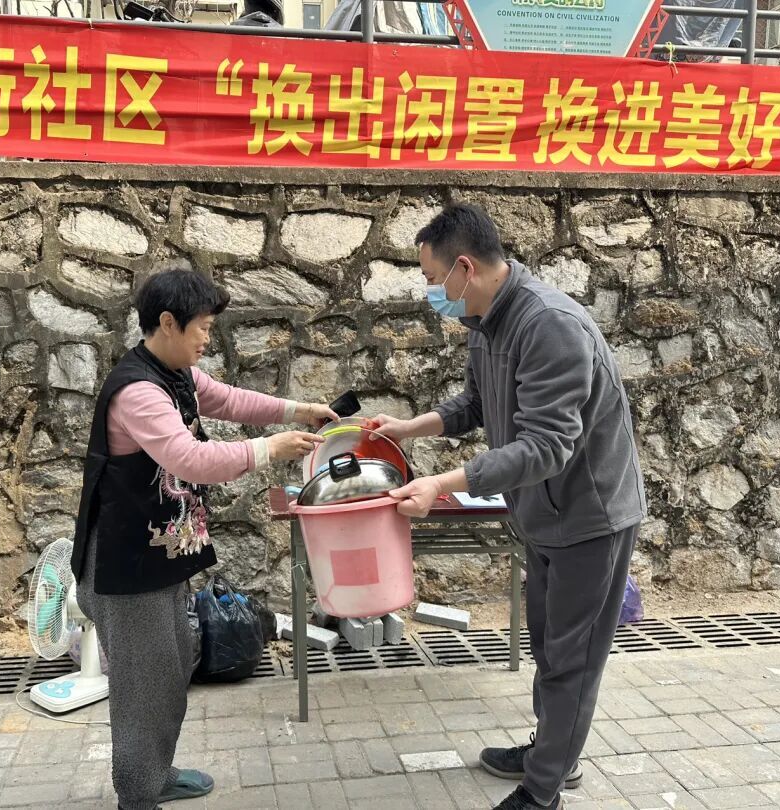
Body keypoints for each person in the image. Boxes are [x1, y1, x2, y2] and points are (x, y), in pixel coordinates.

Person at [373, 205, 646, 810]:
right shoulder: (486, 321)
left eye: (433, 278)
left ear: (464, 268)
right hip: (541, 513)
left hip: (588, 518)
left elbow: (547, 446)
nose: (431, 292)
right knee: (549, 647)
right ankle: (551, 752)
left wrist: (442, 484)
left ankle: (543, 791)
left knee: (572, 661)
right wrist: (409, 427)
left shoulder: (549, 325)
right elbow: (476, 403)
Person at [71, 266, 336, 810]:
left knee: (171, 670)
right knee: (143, 687)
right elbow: (188, 458)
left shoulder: (176, 374)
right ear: (169, 322)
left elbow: (230, 400)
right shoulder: (138, 391)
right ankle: (137, 795)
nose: (208, 339)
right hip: (125, 567)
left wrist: (298, 410)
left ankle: (155, 774)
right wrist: (268, 449)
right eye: (204, 328)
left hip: (156, 555)